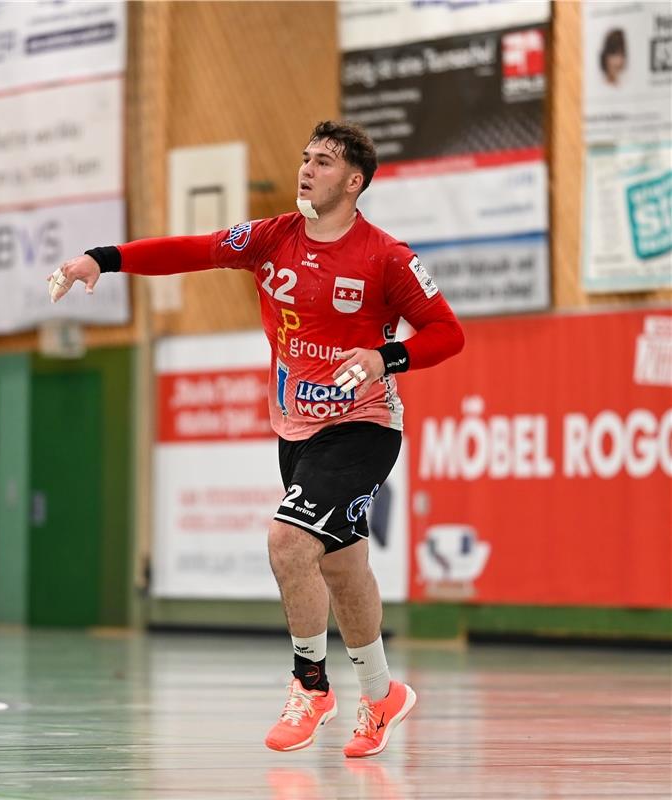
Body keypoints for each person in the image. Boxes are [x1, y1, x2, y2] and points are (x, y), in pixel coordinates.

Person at [48, 121, 465, 758]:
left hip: (363, 427)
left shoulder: (387, 256)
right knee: (343, 566)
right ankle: (382, 695)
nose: (306, 169)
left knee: (287, 538)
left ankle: (311, 686)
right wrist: (102, 259)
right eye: (304, 158)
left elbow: (446, 333)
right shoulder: (273, 237)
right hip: (294, 429)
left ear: (354, 182)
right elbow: (192, 248)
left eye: (322, 162)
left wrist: (387, 357)